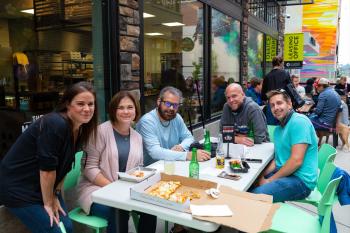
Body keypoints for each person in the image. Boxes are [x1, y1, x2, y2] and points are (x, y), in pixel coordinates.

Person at [0, 82, 98, 233]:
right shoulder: (55, 123)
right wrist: (48, 202)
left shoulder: (79, 128)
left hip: (43, 188)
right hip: (19, 189)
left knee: (68, 227)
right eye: (80, 104)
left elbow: (64, 165)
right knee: (54, 230)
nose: (87, 109)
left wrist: (56, 194)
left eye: (90, 104)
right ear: (67, 104)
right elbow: (47, 169)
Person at [77, 91, 156, 233]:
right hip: (96, 191)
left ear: (136, 110)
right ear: (113, 110)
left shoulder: (138, 137)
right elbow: (89, 168)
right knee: (119, 211)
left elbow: (139, 168)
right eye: (120, 107)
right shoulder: (99, 132)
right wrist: (113, 187)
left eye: (130, 107)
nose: (126, 111)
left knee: (150, 208)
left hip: (125, 191)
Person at [250, 89, 318, 203]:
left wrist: (269, 180)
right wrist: (259, 175)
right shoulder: (278, 130)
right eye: (272, 105)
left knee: (255, 197)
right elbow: (278, 161)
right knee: (249, 185)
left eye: (279, 103)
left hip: (301, 181)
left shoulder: (299, 122)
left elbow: (296, 161)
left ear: (290, 104)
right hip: (287, 174)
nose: (276, 108)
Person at [136, 86, 211, 166]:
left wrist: (181, 147)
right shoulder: (147, 121)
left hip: (172, 164)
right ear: (158, 102)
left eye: (175, 105)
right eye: (168, 104)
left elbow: (189, 138)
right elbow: (155, 152)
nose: (171, 108)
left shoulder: (176, 118)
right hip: (151, 170)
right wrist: (188, 155)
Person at [261, 56, 292, 125]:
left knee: (271, 127)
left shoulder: (267, 76)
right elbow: (290, 90)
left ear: (272, 64)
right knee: (285, 126)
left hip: (271, 105)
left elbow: (263, 95)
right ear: (281, 63)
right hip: (283, 103)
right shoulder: (285, 74)